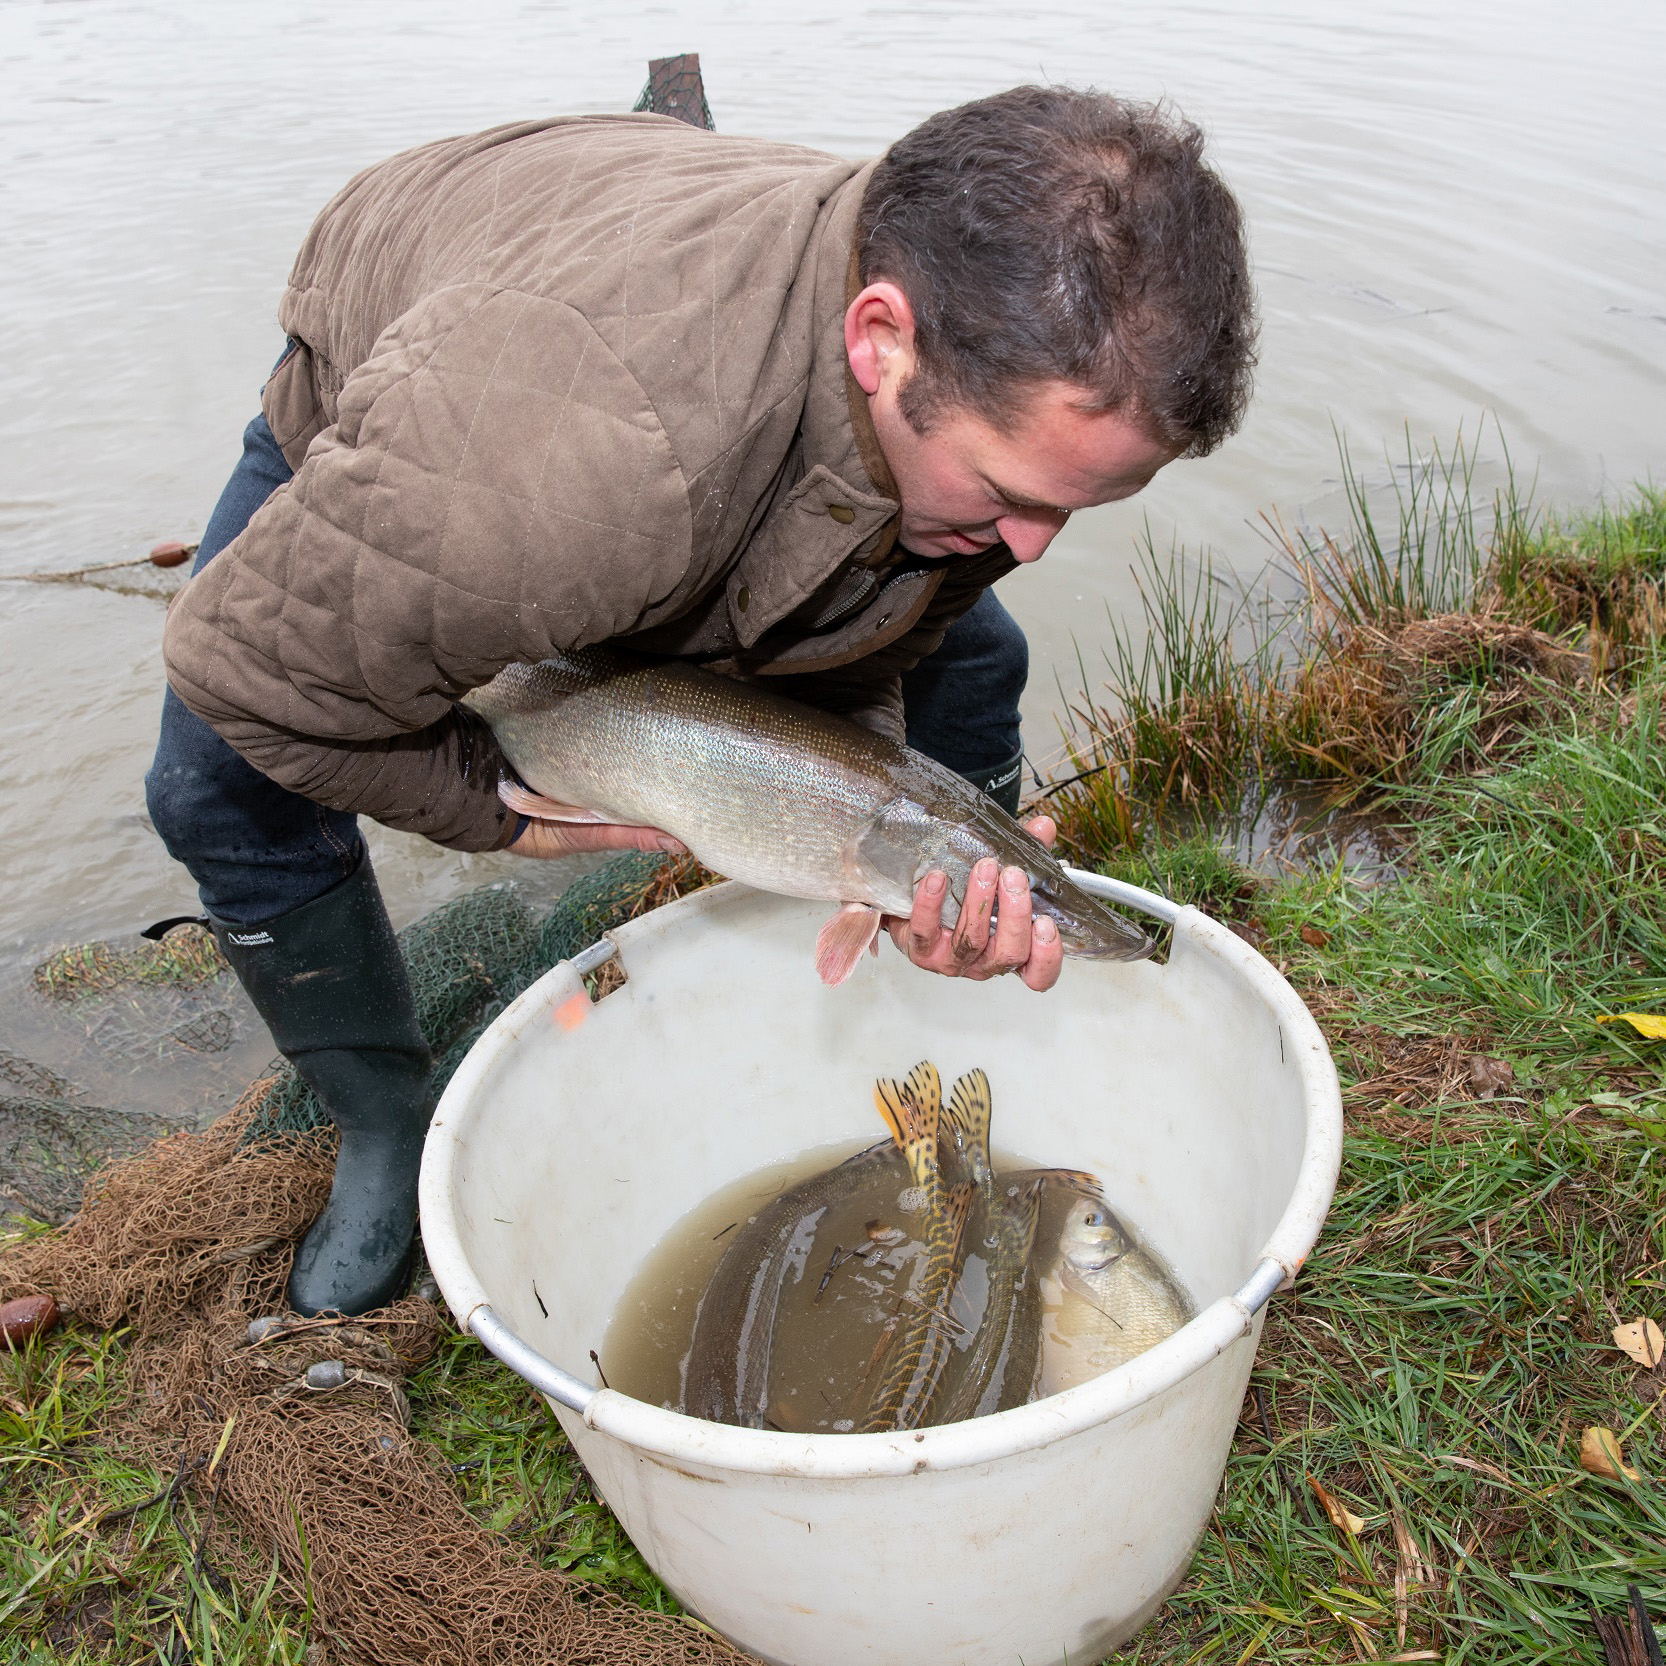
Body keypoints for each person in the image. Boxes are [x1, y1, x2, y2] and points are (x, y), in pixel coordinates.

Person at [146, 85, 1257, 1317]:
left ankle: (911, 956)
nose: (1032, 550)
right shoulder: (558, 470)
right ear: (881, 341)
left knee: (976, 657)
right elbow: (239, 674)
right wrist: (507, 808)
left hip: (661, 332)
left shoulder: (999, 348)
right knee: (215, 788)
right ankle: (379, 1118)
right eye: (1008, 494)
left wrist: (883, 870)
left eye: (1075, 506)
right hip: (445, 359)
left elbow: (861, 633)